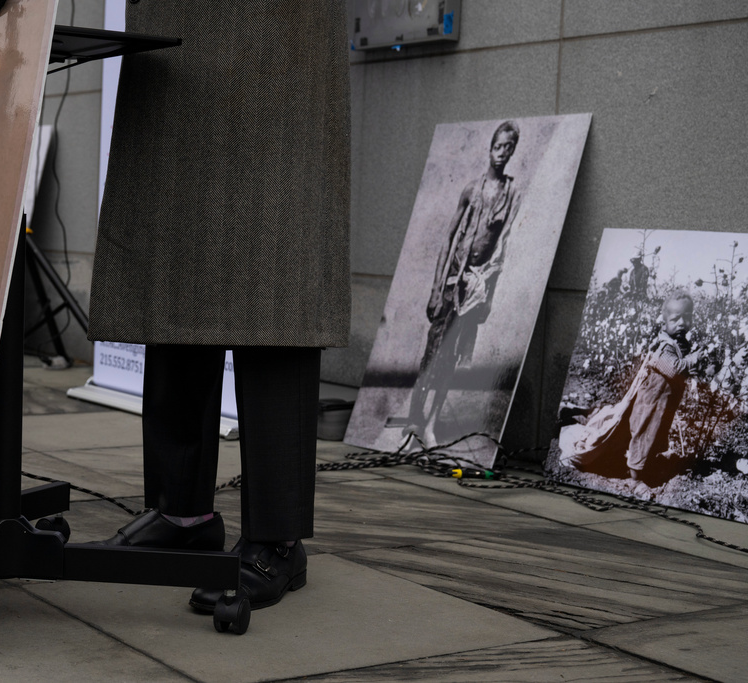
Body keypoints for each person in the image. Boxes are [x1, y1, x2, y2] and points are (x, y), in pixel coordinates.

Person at [87, 2, 350, 613]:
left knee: (275, 268)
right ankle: (183, 514)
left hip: (280, 33)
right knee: (176, 255)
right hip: (176, 27)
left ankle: (277, 539)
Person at [400, 121, 523, 446]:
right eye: (499, 146)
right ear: (490, 148)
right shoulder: (471, 188)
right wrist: (436, 287)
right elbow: (448, 239)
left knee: (452, 358)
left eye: (509, 147)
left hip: (476, 288)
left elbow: (503, 247)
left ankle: (431, 422)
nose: (503, 153)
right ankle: (414, 417)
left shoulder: (511, 195)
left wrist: (489, 297)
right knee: (432, 351)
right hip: (453, 283)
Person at [560, 292, 701, 497]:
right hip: (650, 402)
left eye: (686, 317)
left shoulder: (679, 343)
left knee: (649, 432)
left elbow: (680, 369)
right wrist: (694, 360)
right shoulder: (664, 347)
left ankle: (638, 461)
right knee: (643, 433)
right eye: (675, 319)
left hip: (662, 402)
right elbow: (674, 369)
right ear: (664, 320)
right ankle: (635, 479)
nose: (681, 323)